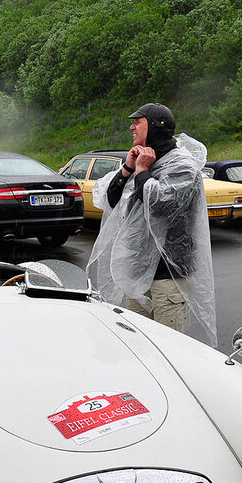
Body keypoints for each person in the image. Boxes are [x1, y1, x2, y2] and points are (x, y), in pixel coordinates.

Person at [87, 103, 217, 347]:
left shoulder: (182, 165)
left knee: (168, 348)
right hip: (138, 274)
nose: (131, 126)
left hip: (167, 277)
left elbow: (161, 205)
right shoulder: (141, 158)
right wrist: (128, 168)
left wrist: (143, 171)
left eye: (138, 121)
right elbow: (111, 201)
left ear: (155, 126)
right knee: (140, 346)